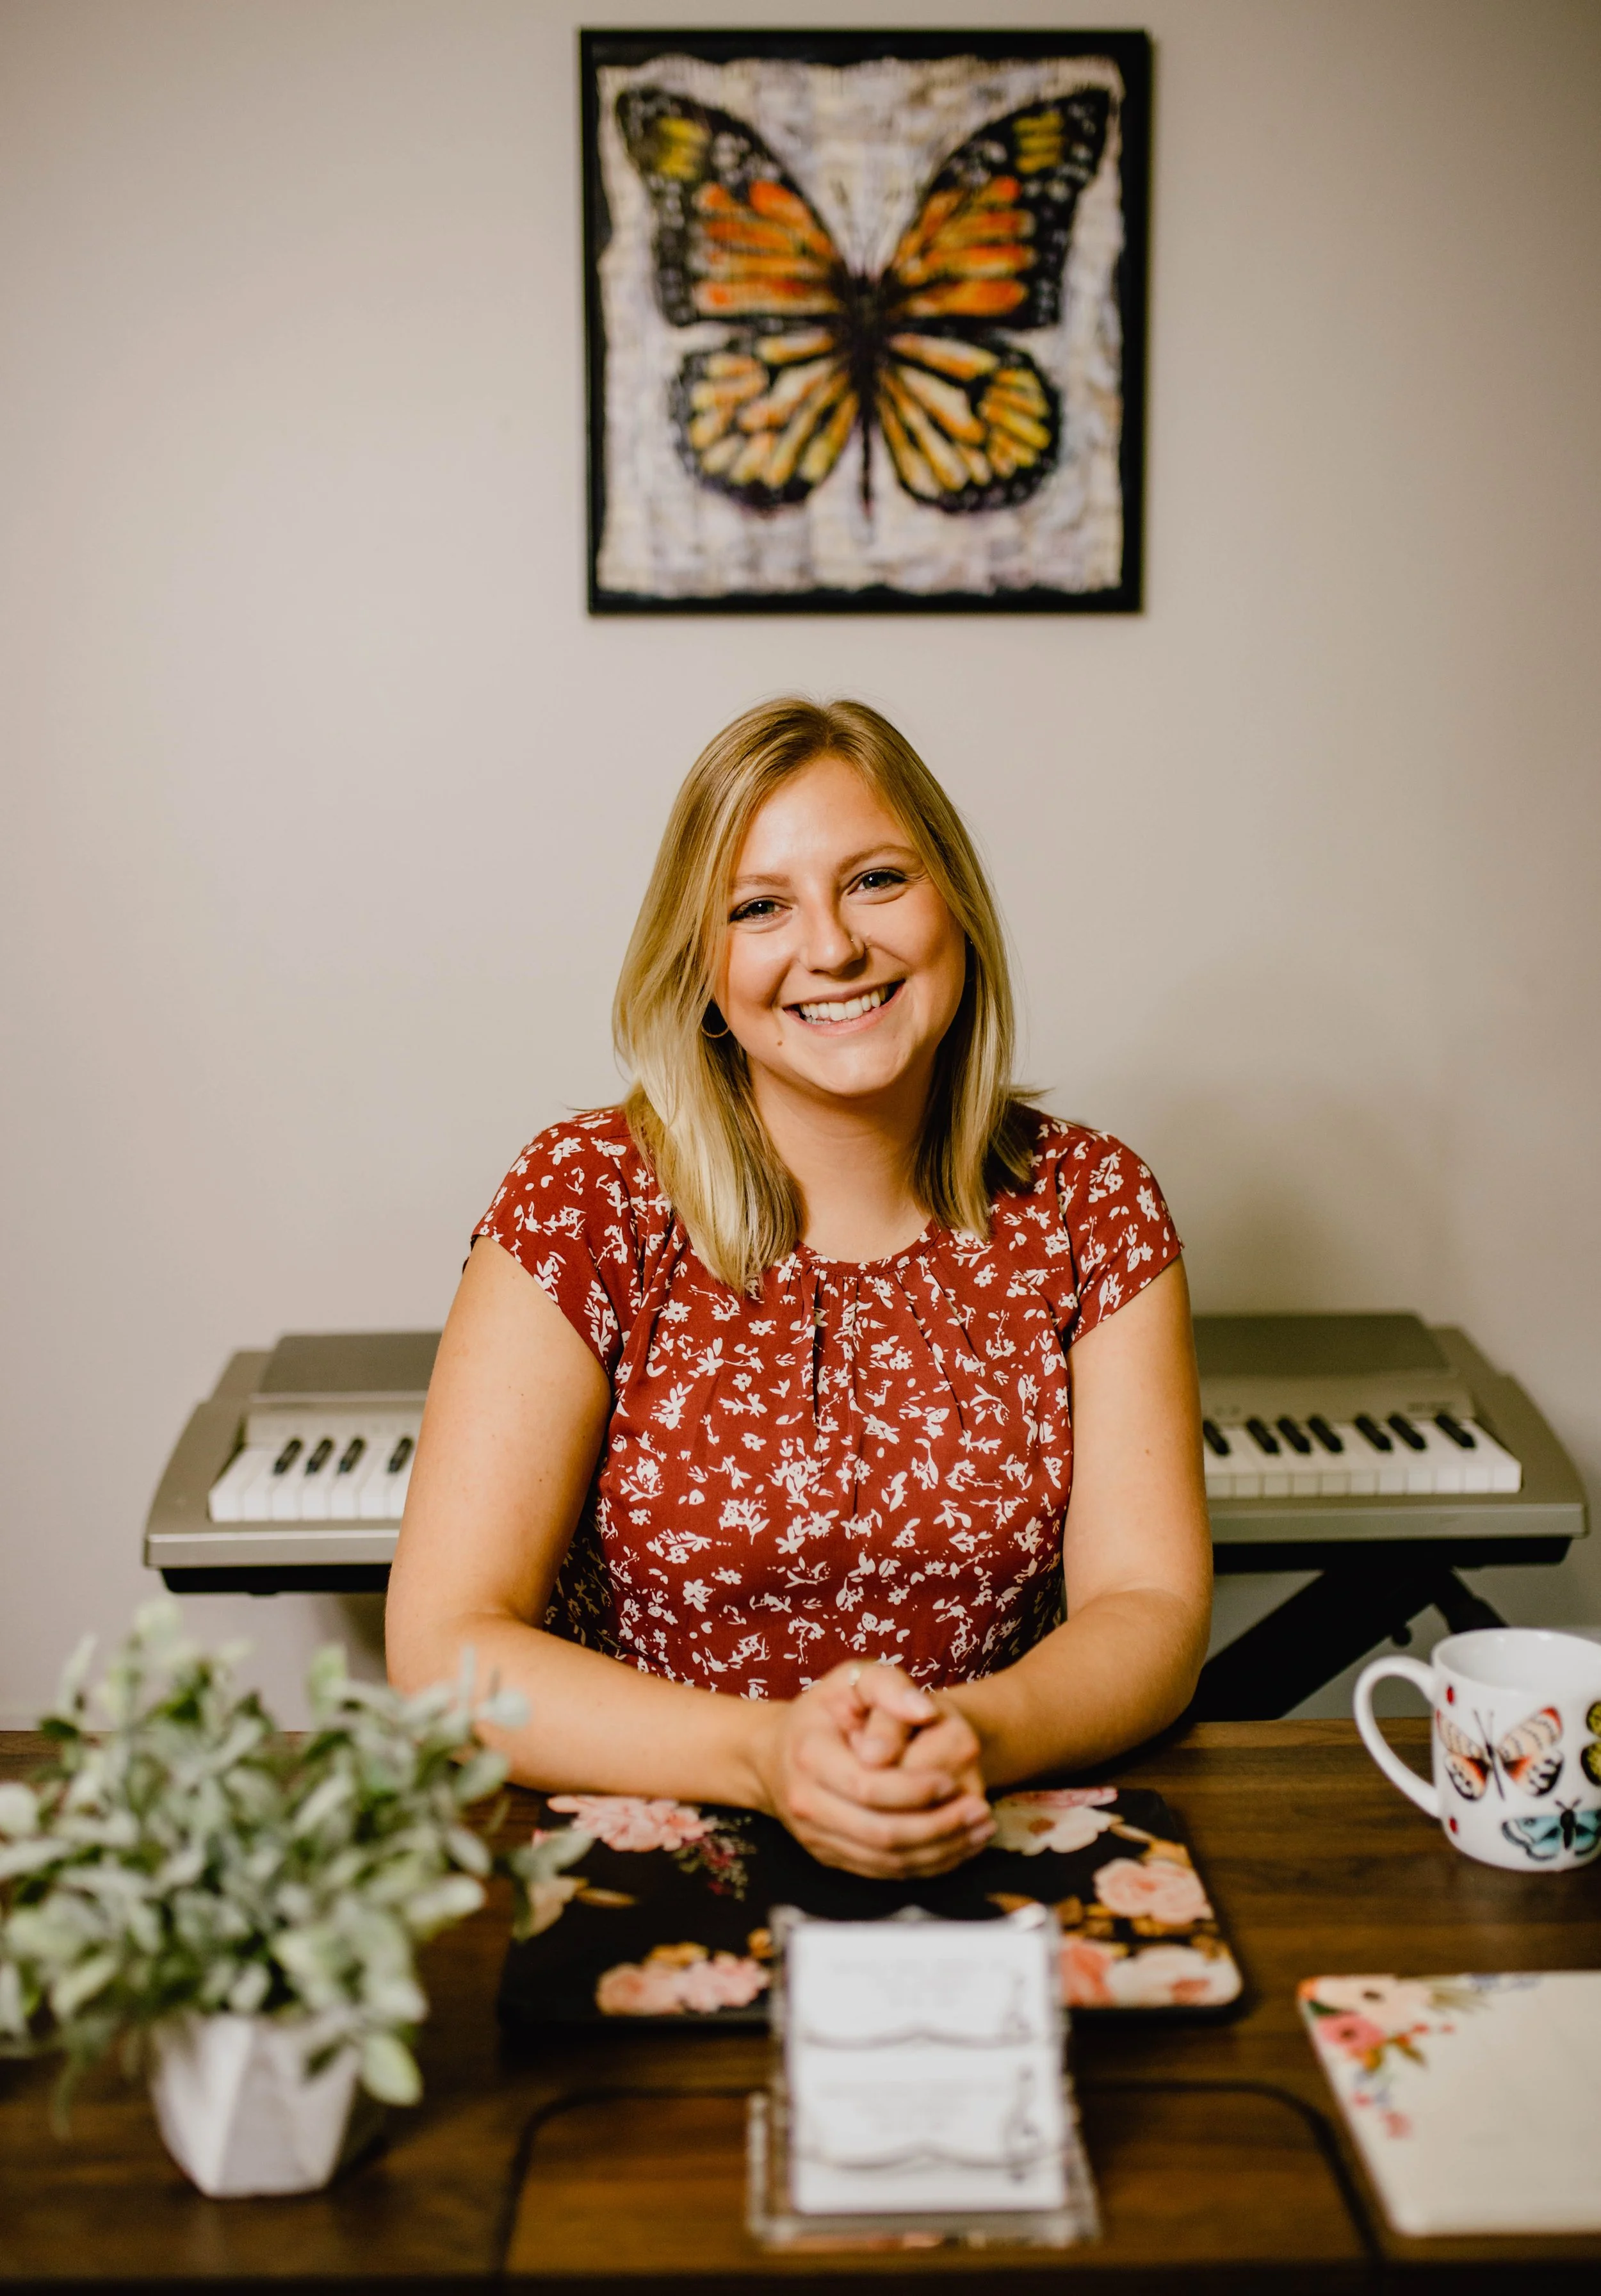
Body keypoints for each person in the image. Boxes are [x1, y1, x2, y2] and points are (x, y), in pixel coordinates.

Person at [386, 698, 1211, 1879]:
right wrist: (772, 1757)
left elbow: (1153, 1608)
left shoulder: (1094, 1203)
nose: (830, 949)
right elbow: (446, 1647)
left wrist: (966, 1738)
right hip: (652, 1846)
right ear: (703, 965)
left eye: (876, 880)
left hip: (977, 1831)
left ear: (956, 907)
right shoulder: (587, 1198)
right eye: (760, 906)